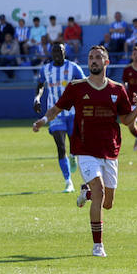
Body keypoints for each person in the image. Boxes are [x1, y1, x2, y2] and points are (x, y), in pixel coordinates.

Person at [32, 45, 137, 258]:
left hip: (109, 150)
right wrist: (44, 120)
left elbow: (126, 120)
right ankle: (97, 245)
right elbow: (57, 108)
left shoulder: (117, 90)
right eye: (91, 57)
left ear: (106, 62)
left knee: (108, 203)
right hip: (85, 149)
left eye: (98, 57)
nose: (93, 61)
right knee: (100, 191)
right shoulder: (76, 87)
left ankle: (87, 193)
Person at [33, 42, 85, 192]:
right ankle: (68, 181)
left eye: (60, 51)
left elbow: (84, 84)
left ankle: (74, 155)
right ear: (51, 53)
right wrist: (37, 98)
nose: (57, 54)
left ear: (64, 52)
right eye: (54, 51)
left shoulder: (73, 68)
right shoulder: (46, 69)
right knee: (61, 147)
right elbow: (40, 85)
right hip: (54, 113)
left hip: (73, 113)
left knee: (74, 145)